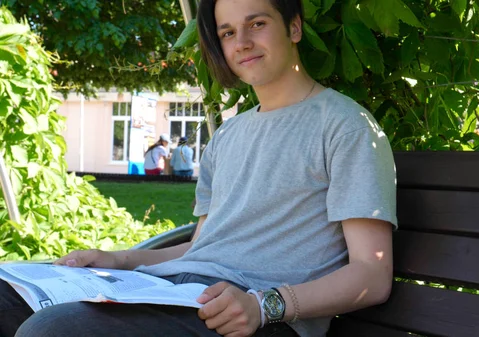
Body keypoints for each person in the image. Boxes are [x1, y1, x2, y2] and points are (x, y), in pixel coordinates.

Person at [0, 0, 397, 336]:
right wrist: (115, 258)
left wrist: (265, 306)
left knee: (52, 330)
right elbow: (203, 245)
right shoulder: (229, 134)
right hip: (173, 291)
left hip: (253, 314)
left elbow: (371, 274)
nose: (242, 43)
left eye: (257, 24)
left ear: (294, 28)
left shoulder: (345, 126)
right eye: (227, 33)